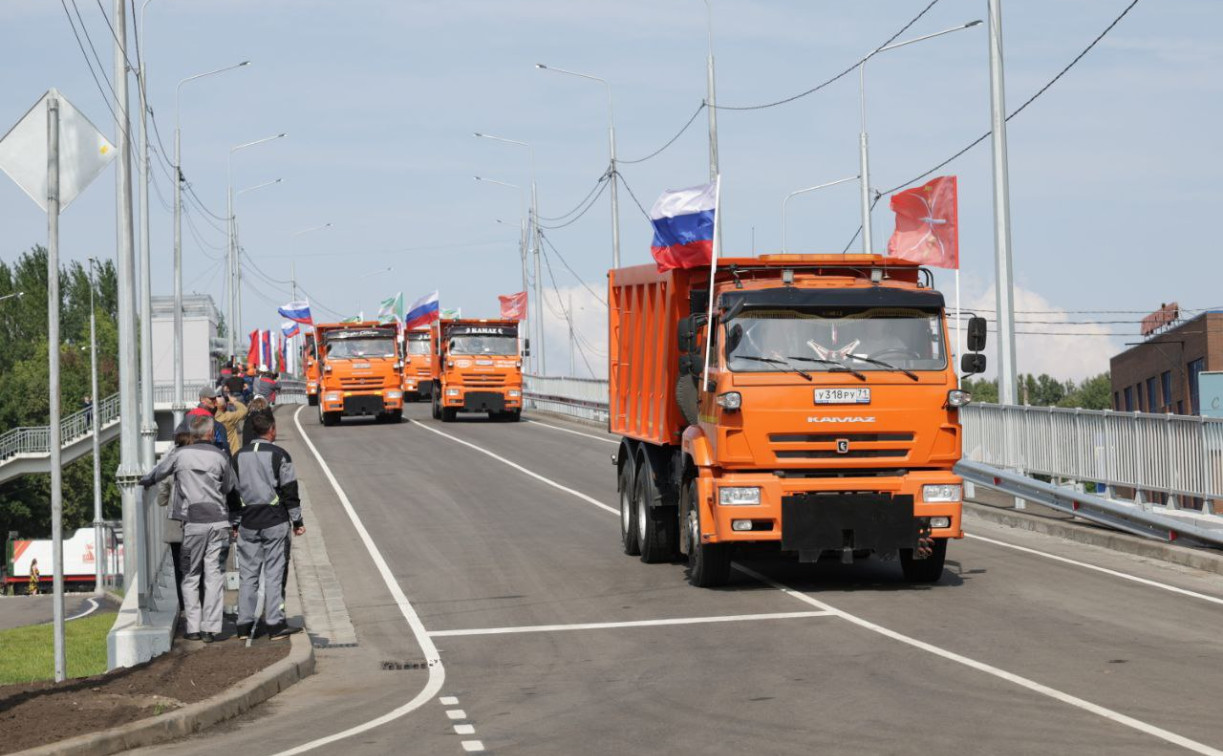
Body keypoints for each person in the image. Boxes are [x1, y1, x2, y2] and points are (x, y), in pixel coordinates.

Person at [140, 414, 238, 643]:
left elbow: (159, 473)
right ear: (211, 433)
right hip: (219, 522)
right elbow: (229, 487)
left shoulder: (180, 455)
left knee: (190, 575)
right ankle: (211, 628)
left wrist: (145, 482)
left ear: (193, 435)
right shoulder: (221, 456)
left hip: (193, 523)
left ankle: (192, 627)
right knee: (214, 575)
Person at [232, 411, 304, 640]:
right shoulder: (280, 455)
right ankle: (274, 624)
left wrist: (234, 522)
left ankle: (243, 625)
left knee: (248, 575)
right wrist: (297, 521)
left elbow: (232, 493)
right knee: (274, 573)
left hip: (248, 522)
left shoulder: (237, 456)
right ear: (271, 429)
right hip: (275, 521)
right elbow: (290, 490)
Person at [157, 424, 194, 611]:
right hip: (198, 519)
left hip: (175, 522)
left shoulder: (170, 463)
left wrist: (164, 500)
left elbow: (162, 493)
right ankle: (200, 603)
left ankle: (185, 607)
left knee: (180, 567)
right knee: (198, 565)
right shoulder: (198, 459)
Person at [188, 386, 232, 454]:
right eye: (212, 399)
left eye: (215, 398)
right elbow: (225, 450)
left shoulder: (188, 417)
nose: (215, 401)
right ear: (202, 399)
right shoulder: (216, 425)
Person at [214, 380, 248, 456]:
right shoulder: (229, 417)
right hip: (232, 450)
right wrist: (234, 401)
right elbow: (244, 410)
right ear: (225, 406)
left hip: (217, 452)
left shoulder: (210, 418)